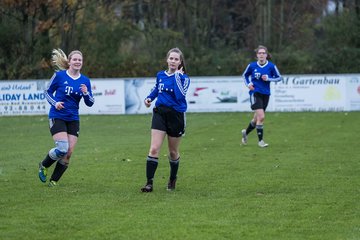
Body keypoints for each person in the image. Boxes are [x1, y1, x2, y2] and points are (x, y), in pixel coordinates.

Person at [38, 49, 95, 186]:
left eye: (80, 60)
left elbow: (90, 103)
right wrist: (55, 103)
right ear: (69, 62)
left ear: (82, 63)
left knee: (68, 153)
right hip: (57, 116)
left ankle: (53, 182)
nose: (77, 62)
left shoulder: (85, 81)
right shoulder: (59, 76)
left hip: (73, 119)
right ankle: (44, 165)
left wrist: (86, 93)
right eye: (75, 59)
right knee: (62, 148)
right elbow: (47, 92)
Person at [141, 47, 190, 192]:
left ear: (180, 62)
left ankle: (172, 178)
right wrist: (149, 98)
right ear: (167, 60)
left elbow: (180, 96)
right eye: (171, 58)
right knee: (154, 148)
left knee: (173, 152)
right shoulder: (160, 75)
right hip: (160, 113)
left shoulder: (184, 78)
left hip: (176, 116)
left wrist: (176, 77)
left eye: (176, 59)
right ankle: (149, 183)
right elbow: (157, 89)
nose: (173, 61)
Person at [241, 45, 281, 147]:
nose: (261, 55)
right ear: (257, 55)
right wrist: (249, 84)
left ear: (266, 55)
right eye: (260, 53)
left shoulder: (271, 66)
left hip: (266, 94)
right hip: (255, 93)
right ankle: (261, 141)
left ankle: (245, 133)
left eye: (263, 53)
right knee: (262, 117)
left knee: (256, 119)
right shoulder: (252, 66)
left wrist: (268, 78)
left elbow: (279, 78)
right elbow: (244, 75)